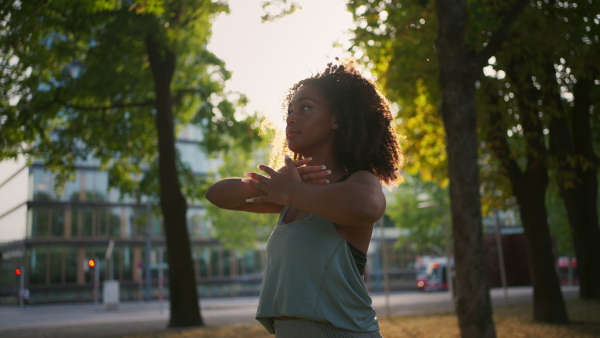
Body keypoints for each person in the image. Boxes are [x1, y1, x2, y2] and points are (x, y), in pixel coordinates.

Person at [206, 59, 403, 337]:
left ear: (336, 118)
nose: (291, 117)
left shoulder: (356, 181)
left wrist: (290, 191)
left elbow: (369, 206)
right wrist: (268, 187)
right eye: (290, 110)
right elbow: (217, 194)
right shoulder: (290, 194)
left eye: (305, 108)